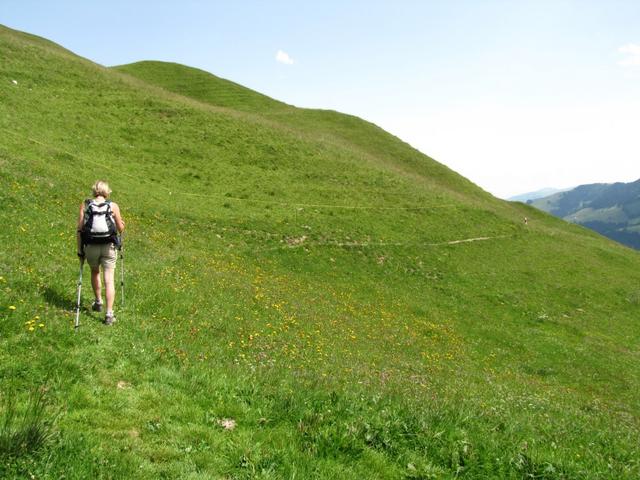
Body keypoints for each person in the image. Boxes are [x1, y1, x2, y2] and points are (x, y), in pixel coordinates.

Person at [76, 180, 125, 325]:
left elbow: (79, 230)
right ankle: (109, 314)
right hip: (108, 246)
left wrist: (80, 251)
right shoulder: (113, 206)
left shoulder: (85, 205)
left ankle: (98, 302)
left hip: (91, 246)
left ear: (94, 191)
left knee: (95, 272)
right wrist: (123, 224)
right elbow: (120, 228)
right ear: (107, 192)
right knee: (109, 279)